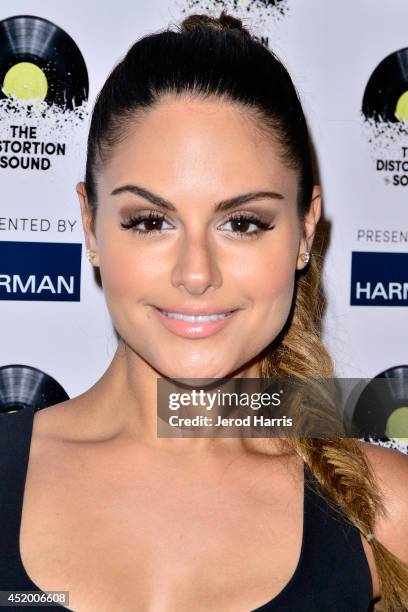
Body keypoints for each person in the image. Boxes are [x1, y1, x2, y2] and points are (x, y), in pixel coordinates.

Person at [1, 10, 408, 612]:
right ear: (90, 225)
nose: (196, 273)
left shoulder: (386, 510)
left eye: (243, 223)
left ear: (304, 229)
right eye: (150, 221)